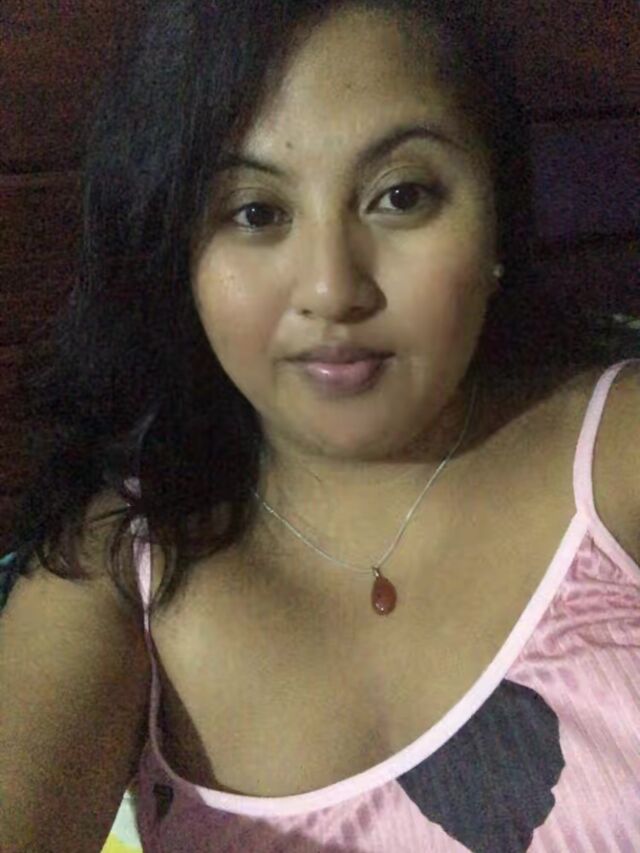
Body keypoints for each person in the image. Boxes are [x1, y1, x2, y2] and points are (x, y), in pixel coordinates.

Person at [1, 1, 639, 850]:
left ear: (497, 216)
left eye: (401, 196)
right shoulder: (119, 569)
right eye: (255, 212)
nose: (334, 289)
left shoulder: (620, 452)